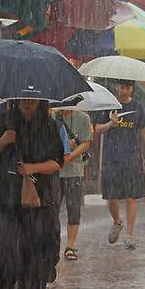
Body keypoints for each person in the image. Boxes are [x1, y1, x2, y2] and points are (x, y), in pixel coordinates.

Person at [0, 99, 64, 289]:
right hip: (4, 198)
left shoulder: (50, 126)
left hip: (39, 201)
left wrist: (32, 167)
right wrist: (4, 140)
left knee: (34, 257)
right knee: (5, 250)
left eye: (32, 99)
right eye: (23, 98)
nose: (28, 103)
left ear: (41, 100)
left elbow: (57, 162)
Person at [94, 80, 145, 250]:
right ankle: (117, 221)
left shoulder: (138, 107)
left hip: (133, 157)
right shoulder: (108, 105)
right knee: (111, 197)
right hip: (111, 158)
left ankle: (129, 235)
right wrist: (110, 124)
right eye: (122, 87)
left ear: (132, 89)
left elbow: (144, 130)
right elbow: (97, 129)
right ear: (117, 87)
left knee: (131, 196)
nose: (124, 90)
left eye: (128, 87)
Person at [54, 110, 93, 261]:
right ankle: (53, 243)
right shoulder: (51, 117)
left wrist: (70, 155)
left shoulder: (83, 118)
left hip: (74, 171)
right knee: (52, 209)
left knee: (74, 209)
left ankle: (70, 246)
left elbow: (86, 142)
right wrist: (61, 147)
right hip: (54, 170)